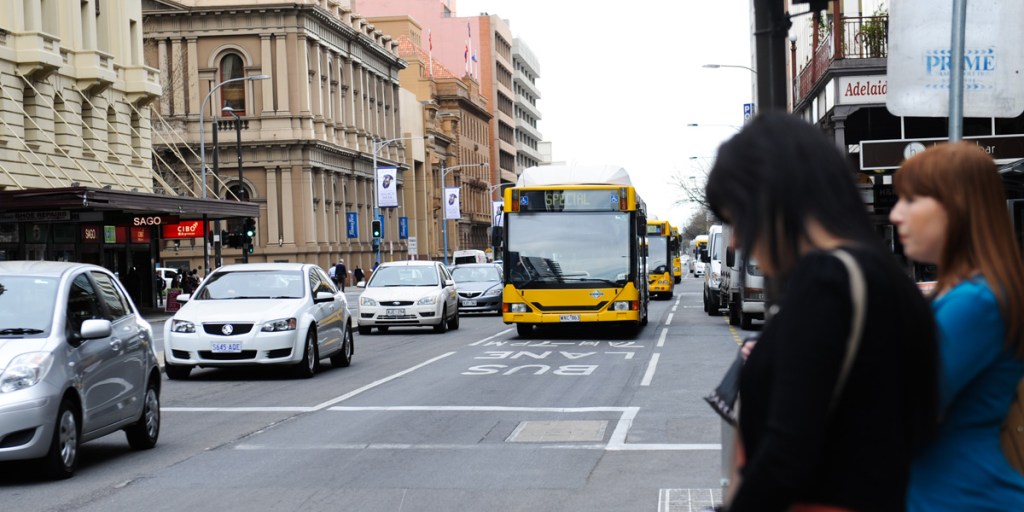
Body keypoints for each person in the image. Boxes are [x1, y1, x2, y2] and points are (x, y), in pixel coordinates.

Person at [704, 112, 939, 512]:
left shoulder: (827, 279)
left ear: (773, 198)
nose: (737, 239)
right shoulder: (883, 275)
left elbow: (786, 454)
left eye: (738, 217)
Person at [890, 142, 1024, 511]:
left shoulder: (975, 303)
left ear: (956, 208)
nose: (896, 215)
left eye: (911, 200)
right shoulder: (970, 296)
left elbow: (899, 408)